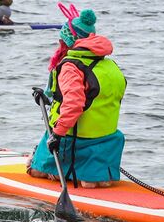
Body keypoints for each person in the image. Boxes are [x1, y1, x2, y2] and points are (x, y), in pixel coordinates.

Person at [27, 10, 126, 189]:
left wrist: (56, 135)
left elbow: (74, 104)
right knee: (92, 177)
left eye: (62, 39)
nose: (59, 43)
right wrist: (46, 98)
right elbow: (92, 100)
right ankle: (94, 177)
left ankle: (67, 174)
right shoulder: (110, 66)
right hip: (107, 141)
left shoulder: (71, 67)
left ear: (69, 41)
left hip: (73, 140)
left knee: (33, 169)